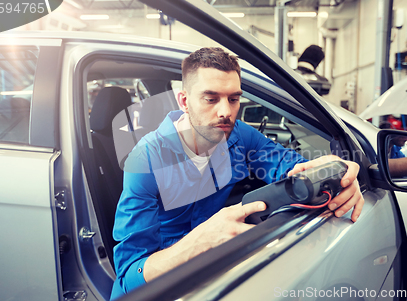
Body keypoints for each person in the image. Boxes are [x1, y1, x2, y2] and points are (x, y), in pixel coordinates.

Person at [110, 47, 364, 299]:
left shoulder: (239, 135)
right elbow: (130, 276)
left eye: (233, 99)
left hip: (220, 274)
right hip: (167, 285)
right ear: (185, 101)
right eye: (211, 99)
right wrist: (200, 241)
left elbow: (290, 167)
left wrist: (336, 172)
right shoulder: (146, 159)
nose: (226, 112)